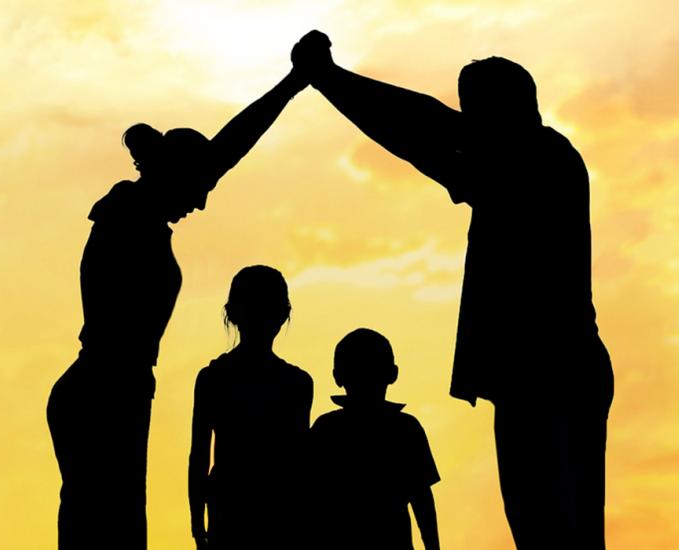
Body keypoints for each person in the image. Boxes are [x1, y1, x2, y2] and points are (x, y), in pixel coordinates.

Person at [290, 31, 615, 550]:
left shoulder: (528, 161)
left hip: (548, 370)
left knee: (551, 527)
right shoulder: (543, 156)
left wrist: (329, 79)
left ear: (504, 109)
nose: (465, 125)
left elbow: (422, 129)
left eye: (473, 112)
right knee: (555, 528)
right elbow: (429, 127)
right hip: (551, 369)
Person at [48, 69, 309, 550]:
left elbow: (226, 151)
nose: (204, 202)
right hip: (103, 390)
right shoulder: (125, 216)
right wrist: (293, 84)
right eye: (200, 187)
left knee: (117, 525)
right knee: (106, 528)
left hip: (116, 388)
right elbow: (220, 156)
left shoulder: (137, 214)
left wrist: (293, 84)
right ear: (175, 177)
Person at [189, 265, 316, 550]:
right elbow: (301, 468)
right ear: (284, 316)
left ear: (232, 314)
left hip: (232, 516)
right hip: (279, 519)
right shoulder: (297, 383)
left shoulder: (213, 378)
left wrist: (198, 528)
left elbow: (199, 459)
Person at [308, 328, 442, 550]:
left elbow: (310, 500)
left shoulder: (326, 429)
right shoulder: (406, 429)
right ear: (393, 373)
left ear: (337, 377)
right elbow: (422, 500)